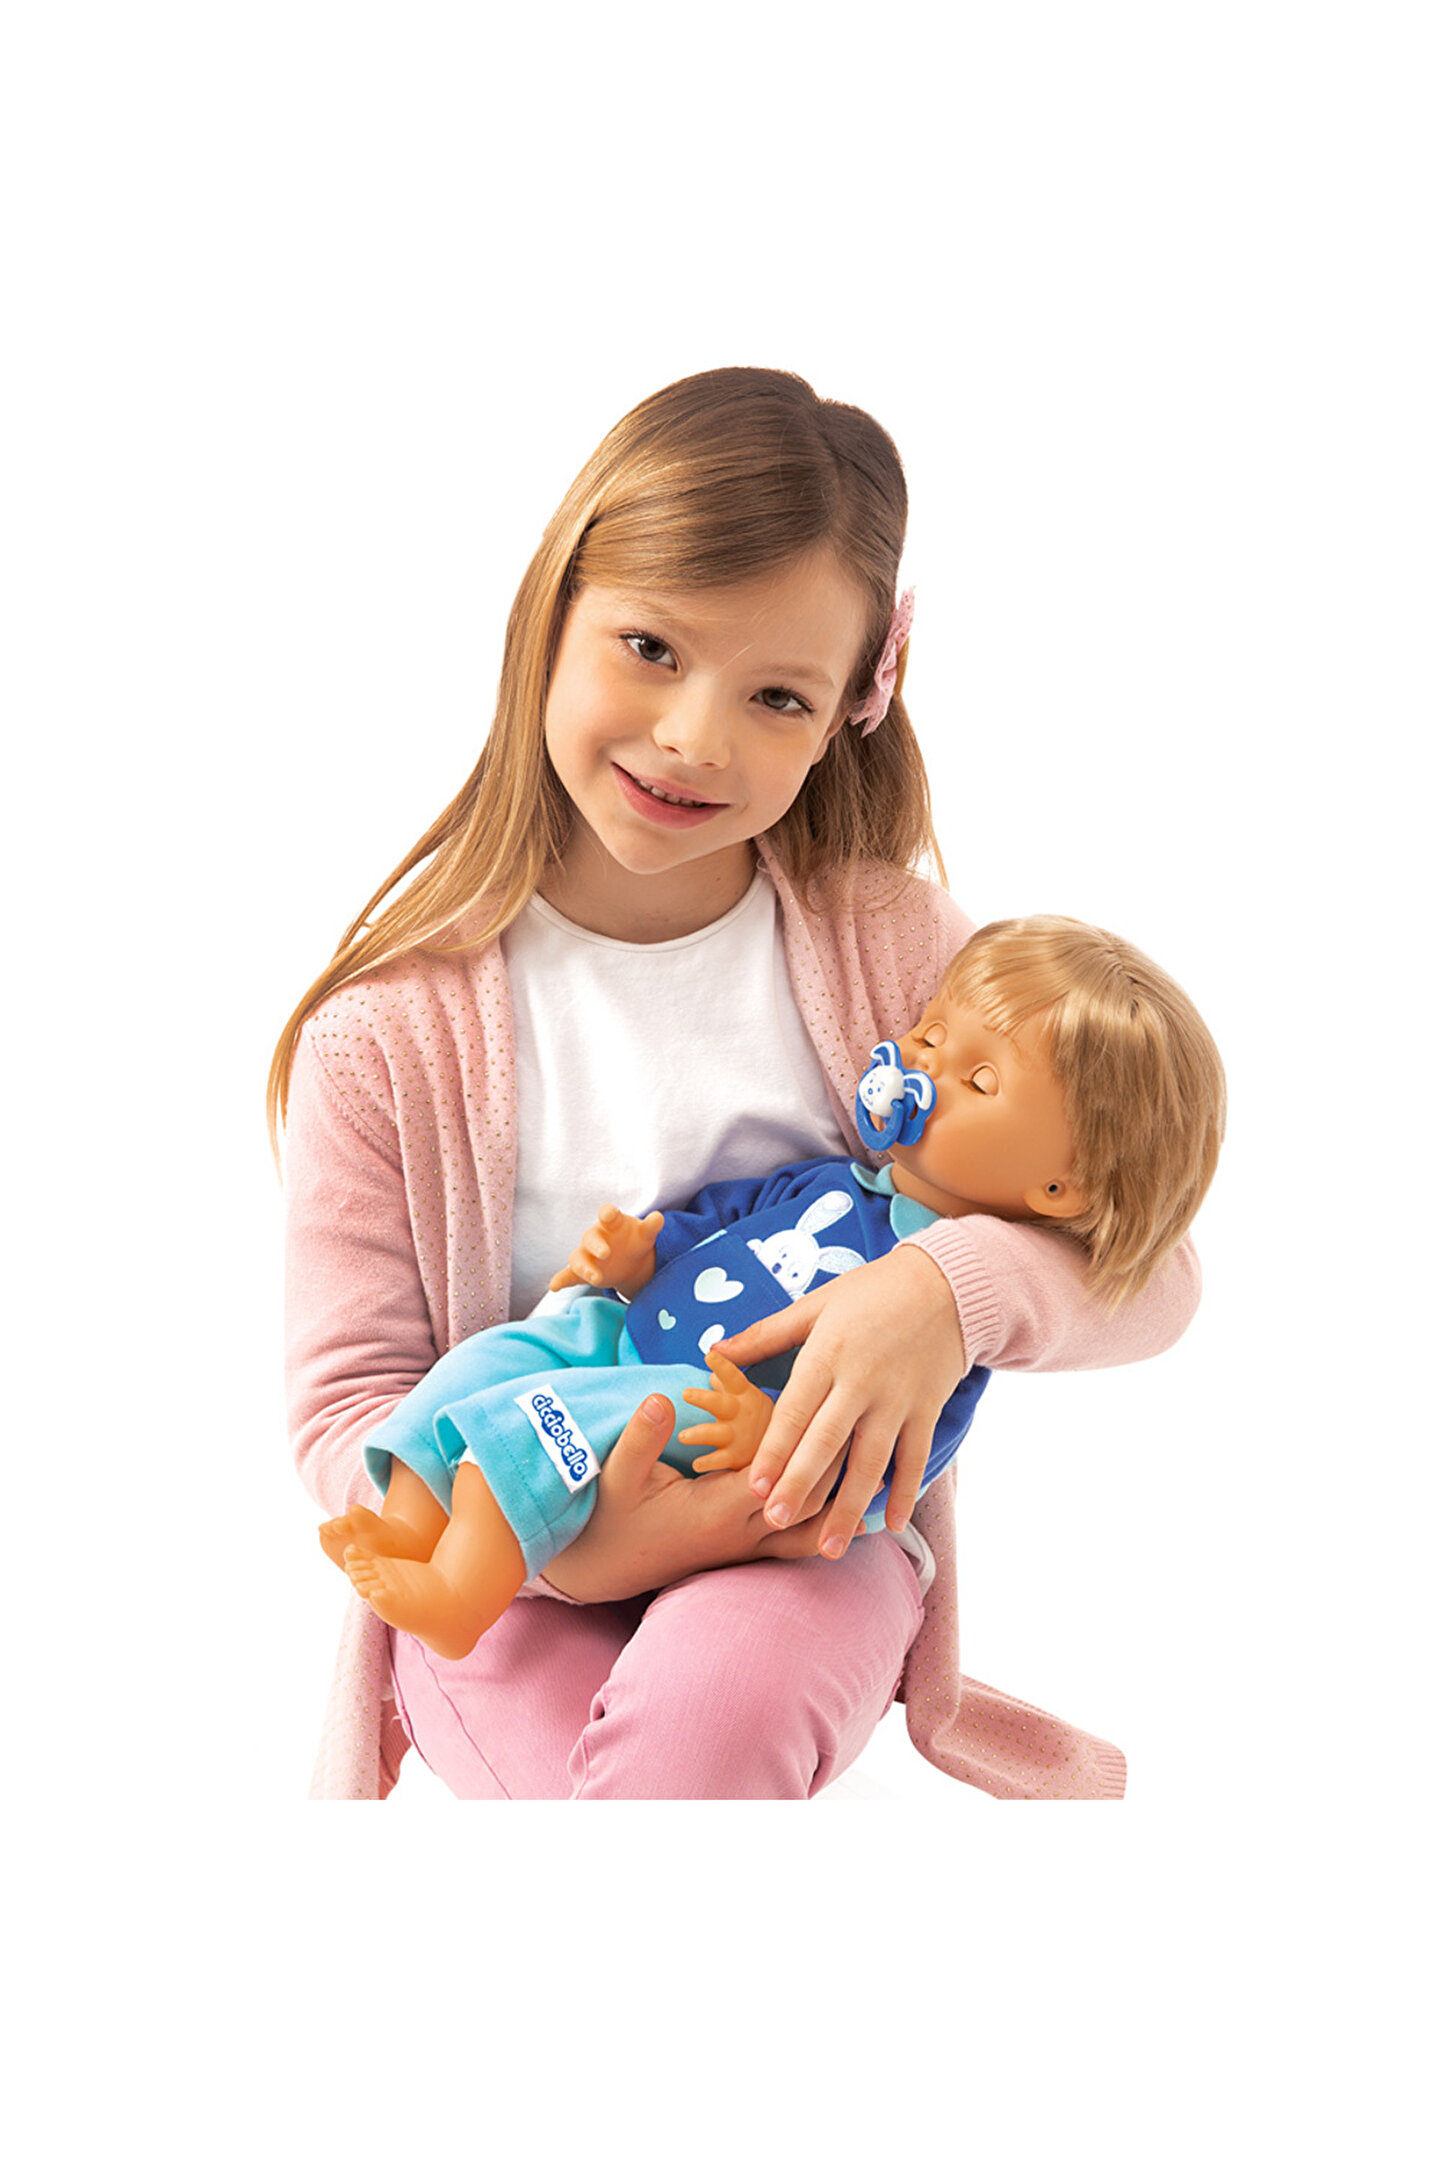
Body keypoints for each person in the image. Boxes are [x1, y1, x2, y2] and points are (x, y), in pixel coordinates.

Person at [273, 366, 1204, 1801]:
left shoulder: (900, 957)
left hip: (801, 1530)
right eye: (651, 646)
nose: (697, 737)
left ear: (849, 709)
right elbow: (349, 1411)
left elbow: (1157, 1272)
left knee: (711, 1719)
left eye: (776, 694)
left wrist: (943, 1291)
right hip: (505, 1542)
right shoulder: (387, 1040)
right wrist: (586, 1549)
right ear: (551, 615)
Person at [317, 917, 1224, 1665]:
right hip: (622, 1327)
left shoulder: (949, 1329)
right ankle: (409, 1526)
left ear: (1061, 1188)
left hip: (702, 1407)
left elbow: (895, 1468)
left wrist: (774, 1446)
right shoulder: (830, 1180)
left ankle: (459, 1593)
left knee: (533, 1422)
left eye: (979, 1079)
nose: (924, 1070)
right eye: (931, 1035)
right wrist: (640, 1255)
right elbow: (719, 1222)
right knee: (487, 1362)